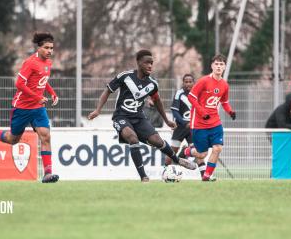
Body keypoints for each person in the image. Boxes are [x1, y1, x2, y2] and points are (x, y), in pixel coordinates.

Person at [87, 49, 197, 182]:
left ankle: (177, 160)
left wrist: (167, 120)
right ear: (139, 63)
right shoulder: (125, 76)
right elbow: (107, 91)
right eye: (147, 63)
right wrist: (98, 110)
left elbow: (157, 101)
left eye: (152, 63)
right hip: (121, 116)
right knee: (132, 138)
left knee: (158, 141)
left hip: (139, 117)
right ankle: (144, 176)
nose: (150, 65)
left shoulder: (152, 84)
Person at [0, 32, 59, 183]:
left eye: (51, 48)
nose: (49, 51)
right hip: (22, 107)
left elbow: (43, 80)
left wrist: (52, 93)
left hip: (38, 108)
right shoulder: (30, 63)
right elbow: (19, 84)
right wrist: (38, 97)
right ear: (39, 48)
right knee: (13, 139)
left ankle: (48, 173)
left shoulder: (48, 63)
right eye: (46, 48)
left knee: (46, 136)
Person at [179, 54, 236, 182]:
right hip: (199, 123)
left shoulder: (225, 85)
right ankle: (187, 151)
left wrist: (230, 111)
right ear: (212, 66)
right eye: (216, 64)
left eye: (221, 64)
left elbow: (224, 102)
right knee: (202, 154)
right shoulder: (204, 81)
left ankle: (206, 177)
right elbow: (191, 97)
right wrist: (202, 111)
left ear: (225, 67)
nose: (219, 66)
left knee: (218, 148)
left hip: (215, 122)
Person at [165, 74, 207, 178]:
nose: (188, 84)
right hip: (180, 128)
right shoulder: (179, 94)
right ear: (183, 83)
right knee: (172, 152)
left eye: (190, 81)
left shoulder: (198, 94)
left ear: (194, 82)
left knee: (197, 151)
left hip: (193, 128)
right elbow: (174, 111)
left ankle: (205, 176)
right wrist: (184, 123)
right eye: (186, 82)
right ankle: (165, 172)